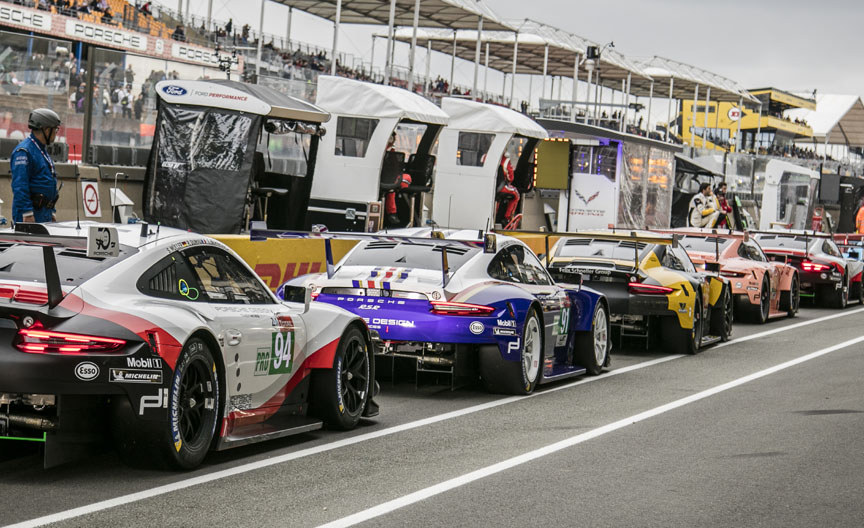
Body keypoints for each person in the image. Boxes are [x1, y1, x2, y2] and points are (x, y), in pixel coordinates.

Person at [11, 109, 62, 223]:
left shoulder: (41, 150)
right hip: (31, 214)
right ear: (47, 130)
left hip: (44, 212)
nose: (56, 133)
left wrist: (51, 211)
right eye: (55, 129)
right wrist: (27, 213)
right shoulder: (24, 151)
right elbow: (20, 185)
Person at [383, 132, 411, 226]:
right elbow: (395, 168)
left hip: (384, 179)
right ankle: (394, 213)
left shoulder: (381, 150)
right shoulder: (391, 152)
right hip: (390, 180)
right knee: (407, 178)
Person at [494, 152, 519, 226]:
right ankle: (508, 219)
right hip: (500, 187)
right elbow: (510, 178)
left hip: (486, 186)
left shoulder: (484, 156)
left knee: (495, 199)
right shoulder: (505, 160)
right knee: (516, 194)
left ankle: (493, 216)